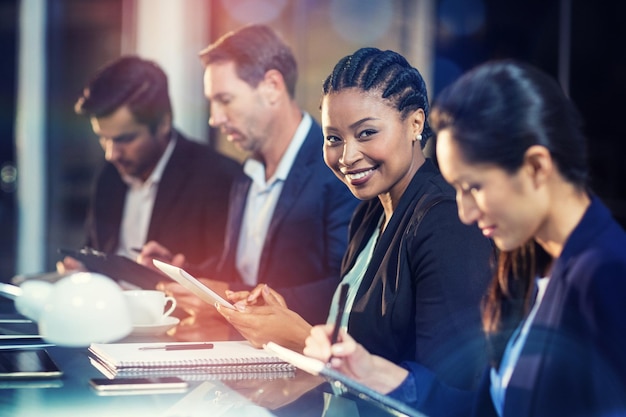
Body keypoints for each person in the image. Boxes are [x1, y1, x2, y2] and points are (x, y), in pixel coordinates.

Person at [304, 60, 626, 417]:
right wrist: (373, 372)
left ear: (536, 167)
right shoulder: (534, 270)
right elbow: (488, 409)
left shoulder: (607, 275)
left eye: (474, 187)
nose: (465, 212)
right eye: (457, 189)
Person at [219, 47, 494, 415]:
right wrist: (288, 318)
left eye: (366, 133)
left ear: (415, 124)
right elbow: (360, 334)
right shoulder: (369, 214)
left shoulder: (445, 220)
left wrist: (299, 338)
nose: (347, 157)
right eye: (333, 138)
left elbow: (447, 394)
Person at [137, 25, 358, 325]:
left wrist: (230, 294)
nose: (215, 119)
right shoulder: (245, 174)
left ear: (272, 86)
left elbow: (343, 289)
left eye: (225, 99)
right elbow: (241, 268)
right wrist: (187, 272)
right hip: (240, 349)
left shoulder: (337, 167)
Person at [58, 56, 241, 275]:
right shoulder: (109, 176)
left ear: (163, 123)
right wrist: (83, 269)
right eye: (103, 138)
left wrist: (180, 272)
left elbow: (229, 278)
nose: (111, 154)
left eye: (124, 139)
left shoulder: (219, 178)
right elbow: (95, 250)